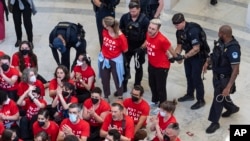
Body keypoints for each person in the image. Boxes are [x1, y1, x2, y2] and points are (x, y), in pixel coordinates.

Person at [203, 25, 240, 134]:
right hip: (216, 76)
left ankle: (214, 122)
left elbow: (236, 70)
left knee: (217, 99)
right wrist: (207, 62)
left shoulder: (233, 49)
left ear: (223, 34)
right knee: (222, 95)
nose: (218, 34)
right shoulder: (220, 42)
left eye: (219, 32)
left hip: (224, 79)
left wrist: (228, 87)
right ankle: (232, 108)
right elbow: (214, 55)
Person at [172, 13, 208, 110]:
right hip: (189, 55)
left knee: (196, 78)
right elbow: (179, 45)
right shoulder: (179, 31)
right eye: (174, 25)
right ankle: (190, 94)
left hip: (199, 56)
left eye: (177, 25)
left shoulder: (193, 30)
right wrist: (176, 56)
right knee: (188, 75)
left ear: (183, 21)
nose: (176, 27)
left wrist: (183, 57)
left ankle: (201, 100)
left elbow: (196, 48)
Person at [143, 18, 179, 107]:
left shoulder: (162, 39)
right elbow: (147, 42)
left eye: (153, 29)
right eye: (149, 28)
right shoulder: (148, 34)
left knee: (160, 87)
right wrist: (141, 48)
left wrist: (176, 58)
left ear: (158, 29)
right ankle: (155, 100)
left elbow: (170, 49)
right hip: (151, 63)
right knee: (152, 84)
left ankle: (162, 105)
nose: (150, 30)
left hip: (162, 67)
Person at [119, 1, 149, 92]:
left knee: (138, 67)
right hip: (127, 46)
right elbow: (120, 31)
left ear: (139, 9)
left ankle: (137, 86)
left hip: (139, 47)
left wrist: (141, 48)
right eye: (131, 11)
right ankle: (123, 86)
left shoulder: (145, 20)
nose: (132, 13)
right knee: (125, 66)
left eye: (134, 12)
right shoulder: (125, 17)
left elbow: (149, 37)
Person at [98, 16, 128, 101]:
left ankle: (120, 95)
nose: (103, 26)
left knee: (117, 78)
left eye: (104, 24)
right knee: (104, 78)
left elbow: (125, 49)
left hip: (115, 60)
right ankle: (106, 95)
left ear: (109, 26)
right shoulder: (105, 31)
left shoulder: (121, 37)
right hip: (104, 58)